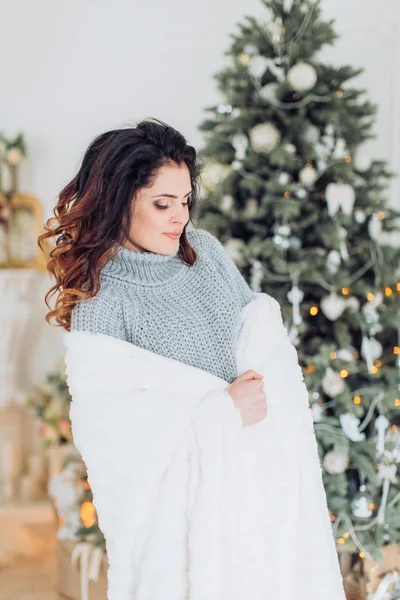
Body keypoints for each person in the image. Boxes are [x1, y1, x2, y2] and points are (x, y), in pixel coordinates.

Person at [39, 117, 267, 427]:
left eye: (185, 202)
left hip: (263, 463)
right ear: (117, 203)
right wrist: (225, 414)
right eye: (163, 204)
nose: (181, 218)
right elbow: (114, 437)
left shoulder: (204, 251)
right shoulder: (100, 304)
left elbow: (265, 342)